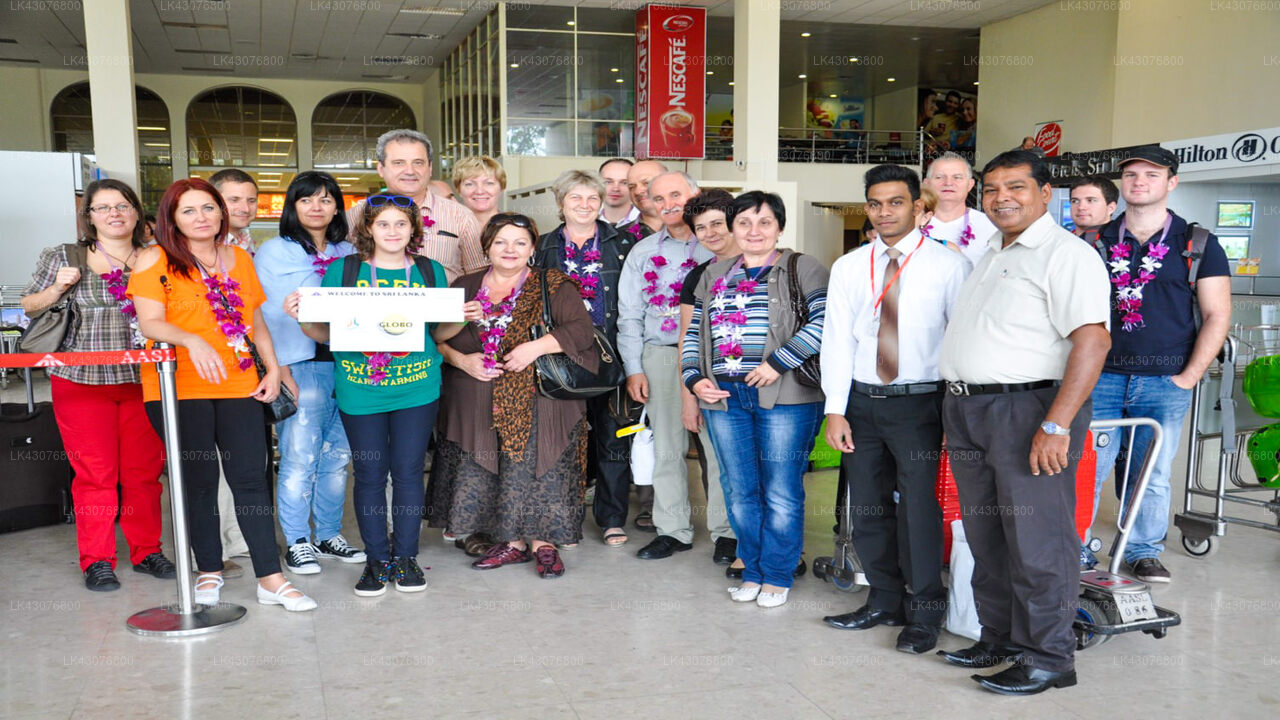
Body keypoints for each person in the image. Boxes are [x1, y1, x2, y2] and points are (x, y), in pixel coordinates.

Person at [935, 150, 1110, 695]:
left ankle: (1049, 657)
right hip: (969, 409)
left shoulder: (1066, 254)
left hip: (1028, 410)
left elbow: (1092, 340)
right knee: (987, 534)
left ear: (1045, 194)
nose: (1002, 198)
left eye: (1016, 186)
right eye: (991, 189)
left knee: (1038, 540)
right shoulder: (991, 250)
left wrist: (1057, 425)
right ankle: (1002, 638)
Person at [128, 178, 316, 612]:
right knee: (199, 482)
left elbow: (254, 322)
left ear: (221, 213)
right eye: (189, 211)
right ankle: (209, 570)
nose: (201, 218)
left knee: (250, 479)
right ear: (172, 218)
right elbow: (151, 322)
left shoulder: (239, 259)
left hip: (239, 383)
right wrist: (192, 341)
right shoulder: (154, 259)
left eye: (209, 208)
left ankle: (271, 578)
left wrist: (271, 367)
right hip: (178, 386)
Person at [818, 165, 968, 652]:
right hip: (861, 403)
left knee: (919, 510)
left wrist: (952, 410)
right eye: (876, 204)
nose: (885, 212)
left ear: (918, 207)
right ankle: (883, 599)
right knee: (866, 507)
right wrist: (835, 410)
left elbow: (958, 341)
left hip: (920, 404)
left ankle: (924, 611)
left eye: (896, 202)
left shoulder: (950, 265)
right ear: (868, 209)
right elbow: (836, 342)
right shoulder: (849, 265)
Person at [290, 193, 447, 597]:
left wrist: (458, 318)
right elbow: (324, 334)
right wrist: (304, 316)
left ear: (414, 229)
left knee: (409, 472)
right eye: (383, 224)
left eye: (401, 224)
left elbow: (440, 335)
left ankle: (406, 557)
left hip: (417, 387)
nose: (392, 231)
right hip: (361, 388)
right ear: (368, 229)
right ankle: (377, 561)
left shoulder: (430, 272)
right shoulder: (345, 271)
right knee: (371, 475)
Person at [1087, 147, 1232, 582]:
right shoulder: (1094, 240)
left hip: (1165, 380)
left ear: (1172, 182)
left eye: (1152, 174)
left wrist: (1188, 377)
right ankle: (1074, 545)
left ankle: (1143, 550)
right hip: (1100, 376)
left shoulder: (1197, 243)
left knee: (1151, 471)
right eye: (1131, 174)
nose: (1139, 181)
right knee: (1087, 468)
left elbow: (1217, 314)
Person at [21, 179, 173, 592]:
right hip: (81, 382)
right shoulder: (64, 256)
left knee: (144, 473)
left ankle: (147, 551)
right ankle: (98, 559)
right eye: (103, 208)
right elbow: (28, 304)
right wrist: (58, 287)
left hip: (144, 383)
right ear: (88, 216)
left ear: (136, 212)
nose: (114, 214)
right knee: (95, 475)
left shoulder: (156, 256)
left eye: (122, 205)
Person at [428, 214, 597, 578]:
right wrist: (462, 360)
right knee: (484, 466)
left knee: (538, 467)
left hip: (540, 396)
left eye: (520, 242)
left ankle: (544, 544)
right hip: (475, 395)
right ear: (486, 246)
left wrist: (534, 348)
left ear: (533, 248)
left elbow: (581, 330)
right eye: (501, 241)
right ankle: (509, 542)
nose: (510, 250)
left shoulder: (552, 284)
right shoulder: (464, 285)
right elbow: (434, 338)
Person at [682, 191, 828, 608]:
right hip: (724, 397)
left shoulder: (803, 266)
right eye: (744, 222)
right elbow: (695, 334)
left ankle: (778, 575)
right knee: (740, 489)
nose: (754, 231)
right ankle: (755, 568)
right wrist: (695, 379)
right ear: (733, 228)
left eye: (764, 222)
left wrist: (777, 363)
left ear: (779, 227)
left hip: (785, 396)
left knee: (781, 490)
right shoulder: (715, 273)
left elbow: (824, 321)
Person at [254, 171, 364, 576]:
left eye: (325, 199)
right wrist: (279, 369)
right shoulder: (273, 252)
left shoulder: (350, 251)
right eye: (306, 200)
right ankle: (298, 540)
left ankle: (329, 535)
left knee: (337, 458)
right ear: (292, 206)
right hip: (300, 364)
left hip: (349, 364)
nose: (316, 207)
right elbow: (263, 315)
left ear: (337, 206)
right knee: (300, 457)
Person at [532, 170, 635, 548]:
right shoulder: (541, 247)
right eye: (576, 198)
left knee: (613, 437)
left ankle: (611, 518)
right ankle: (562, 516)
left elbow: (634, 305)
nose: (585, 205)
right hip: (558, 357)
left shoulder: (624, 243)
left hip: (612, 356)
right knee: (560, 441)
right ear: (561, 203)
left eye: (593, 198)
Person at [618, 171, 714, 559]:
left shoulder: (719, 245)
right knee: (667, 449)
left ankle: (728, 533)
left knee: (717, 447)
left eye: (676, 194)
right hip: (659, 355)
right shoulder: (642, 252)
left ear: (696, 194)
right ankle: (673, 529)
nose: (668, 204)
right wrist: (633, 368)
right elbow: (629, 316)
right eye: (659, 198)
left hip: (713, 357)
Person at [675, 189, 739, 571]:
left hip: (765, 385)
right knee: (718, 464)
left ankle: (774, 545)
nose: (711, 233)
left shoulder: (773, 264)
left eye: (717, 222)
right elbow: (687, 338)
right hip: (711, 385)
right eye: (701, 228)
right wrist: (688, 398)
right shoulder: (698, 276)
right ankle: (726, 534)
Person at [208, 167, 261, 577]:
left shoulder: (245, 244)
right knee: (208, 464)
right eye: (233, 200)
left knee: (242, 462)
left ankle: (240, 539)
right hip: (207, 371)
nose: (243, 207)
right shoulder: (197, 246)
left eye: (250, 199)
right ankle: (210, 548)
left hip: (247, 367)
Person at [346, 129, 484, 283]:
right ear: (381, 169)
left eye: (418, 163)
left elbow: (478, 275)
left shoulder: (460, 216)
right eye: (399, 163)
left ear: (430, 167)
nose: (410, 171)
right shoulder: (355, 215)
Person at [921, 152, 999, 268]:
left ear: (970, 185)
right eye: (939, 177)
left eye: (957, 177)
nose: (948, 183)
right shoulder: (910, 224)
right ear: (926, 183)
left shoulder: (992, 226)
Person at [210, 169, 259, 255]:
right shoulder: (206, 244)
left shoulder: (247, 239)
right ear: (214, 202)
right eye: (234, 200)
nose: (245, 209)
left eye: (251, 200)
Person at [452, 155, 506, 229]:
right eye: (469, 184)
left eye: (489, 183)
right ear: (459, 190)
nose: (479, 191)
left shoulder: (517, 229)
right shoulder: (449, 228)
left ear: (501, 188)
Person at [624, 159, 668, 242]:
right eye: (632, 187)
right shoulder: (618, 238)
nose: (637, 191)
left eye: (646, 183)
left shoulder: (693, 229)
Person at [1069, 175, 1119, 242]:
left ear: (1111, 208)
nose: (1081, 207)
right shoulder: (1060, 242)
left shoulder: (1124, 242)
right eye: (1075, 201)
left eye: (1091, 200)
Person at [599, 158, 641, 228]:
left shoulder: (644, 221)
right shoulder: (586, 218)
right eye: (608, 182)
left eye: (624, 183)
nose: (615, 189)